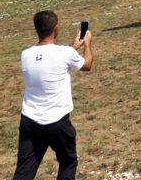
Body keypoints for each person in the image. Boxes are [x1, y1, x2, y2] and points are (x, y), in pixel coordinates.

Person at [12, 10, 93, 180]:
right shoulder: (65, 53)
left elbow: (50, 61)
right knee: (68, 161)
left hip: (30, 121)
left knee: (25, 169)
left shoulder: (25, 55)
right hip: (58, 121)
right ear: (55, 29)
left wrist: (72, 48)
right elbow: (87, 65)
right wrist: (87, 44)